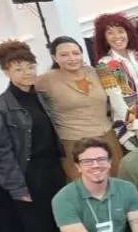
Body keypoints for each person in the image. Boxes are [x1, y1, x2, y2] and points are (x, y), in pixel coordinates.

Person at [0, 40, 72, 232]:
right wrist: (17, 187)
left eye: (30, 67)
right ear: (6, 72)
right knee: (40, 224)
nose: (27, 73)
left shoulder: (40, 96)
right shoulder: (1, 107)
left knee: (60, 215)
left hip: (53, 165)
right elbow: (2, 152)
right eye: (18, 69)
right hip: (29, 172)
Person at [36, 36, 123, 179]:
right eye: (64, 55)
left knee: (117, 182)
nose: (72, 58)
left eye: (76, 53)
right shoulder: (45, 80)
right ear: (54, 57)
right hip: (75, 144)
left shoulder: (94, 72)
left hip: (107, 137)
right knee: (88, 187)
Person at [93, 13, 138, 150]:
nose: (117, 37)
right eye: (110, 33)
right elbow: (117, 102)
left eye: (121, 31)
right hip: (131, 119)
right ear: (104, 38)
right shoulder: (105, 65)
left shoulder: (137, 54)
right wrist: (136, 127)